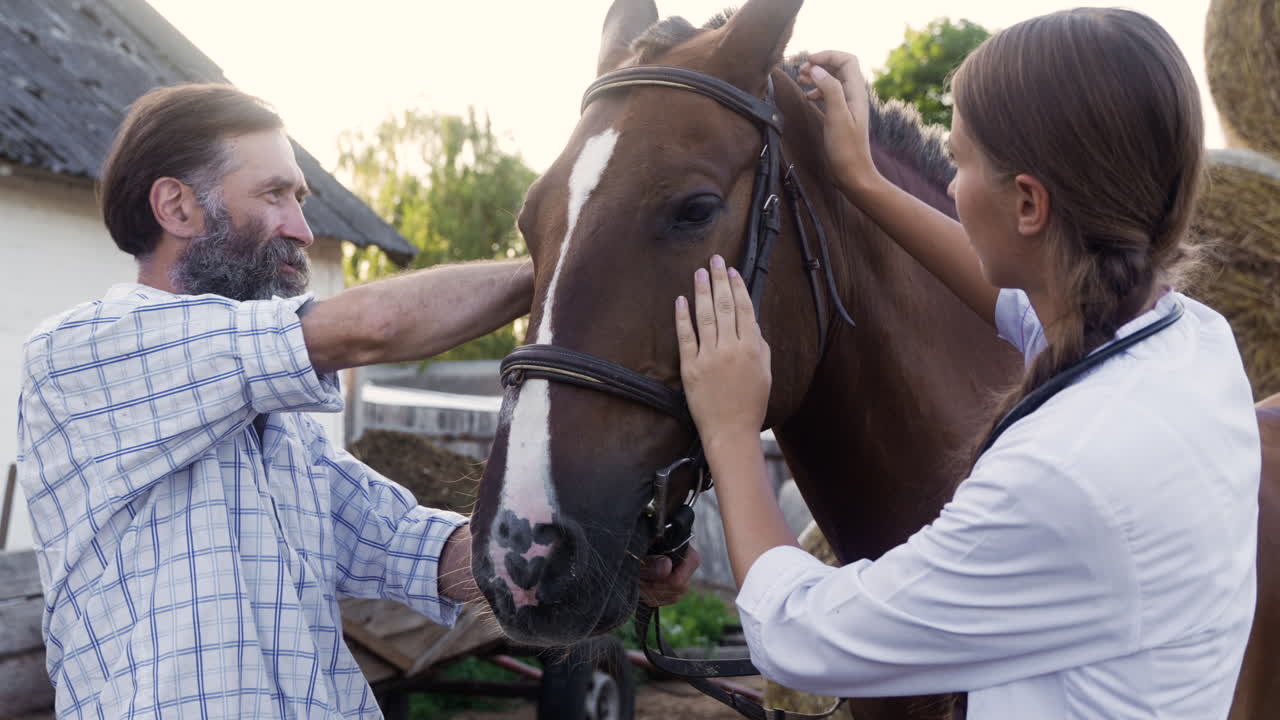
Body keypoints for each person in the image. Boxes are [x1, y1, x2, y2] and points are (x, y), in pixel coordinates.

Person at [16, 83, 694, 718]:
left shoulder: (278, 426)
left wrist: (599, 558)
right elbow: (372, 327)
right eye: (275, 194)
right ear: (177, 207)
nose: (303, 229)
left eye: (301, 199)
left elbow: (408, 546)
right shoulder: (82, 353)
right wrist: (579, 258)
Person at [673, 8, 1259, 719]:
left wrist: (732, 433)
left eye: (959, 160)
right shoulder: (1191, 340)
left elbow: (806, 635)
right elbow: (1029, 311)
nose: (948, 185)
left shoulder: (1058, 473)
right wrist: (862, 180)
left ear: (1029, 203)